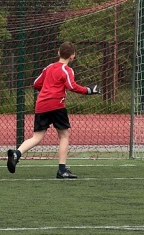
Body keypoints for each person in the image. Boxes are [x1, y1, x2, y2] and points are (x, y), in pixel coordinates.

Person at [7, 42, 99, 179]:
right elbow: (71, 86)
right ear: (72, 56)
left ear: (58, 53)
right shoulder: (67, 70)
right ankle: (62, 170)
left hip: (41, 105)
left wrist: (46, 90)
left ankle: (17, 153)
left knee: (37, 137)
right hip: (56, 105)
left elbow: (36, 83)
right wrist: (89, 90)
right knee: (64, 136)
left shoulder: (49, 67)